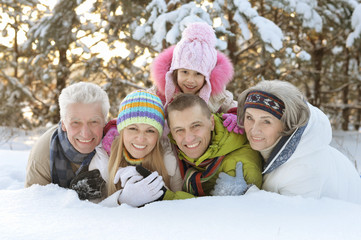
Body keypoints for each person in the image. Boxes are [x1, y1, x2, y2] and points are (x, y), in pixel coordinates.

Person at [231, 79, 361, 204]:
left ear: (288, 125)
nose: (254, 129)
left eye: (266, 121)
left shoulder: (305, 168)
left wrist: (245, 193)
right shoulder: (281, 146)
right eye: (249, 117)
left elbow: (291, 219)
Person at [101, 90, 194, 207]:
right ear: (122, 130)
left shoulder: (169, 160)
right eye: (133, 128)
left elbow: (189, 208)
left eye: (150, 131)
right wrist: (121, 200)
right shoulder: (104, 158)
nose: (141, 139)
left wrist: (163, 193)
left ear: (158, 135)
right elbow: (93, 212)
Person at [149, 21, 242, 134]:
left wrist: (236, 116)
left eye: (198, 74)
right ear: (175, 72)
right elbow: (141, 106)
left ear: (208, 76)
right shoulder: (161, 93)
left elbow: (237, 108)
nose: (190, 80)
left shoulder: (217, 97)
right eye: (184, 72)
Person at [25, 82, 110, 201]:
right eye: (76, 122)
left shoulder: (117, 144)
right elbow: (35, 207)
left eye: (94, 122)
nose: (85, 133)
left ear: (104, 122)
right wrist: (73, 196)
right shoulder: (44, 153)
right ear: (63, 124)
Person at [166, 93, 262, 196]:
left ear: (212, 123)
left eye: (196, 125)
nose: (189, 138)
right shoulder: (173, 150)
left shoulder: (239, 168)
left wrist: (164, 196)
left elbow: (204, 211)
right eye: (179, 130)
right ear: (171, 132)